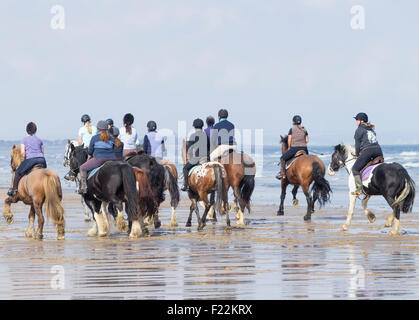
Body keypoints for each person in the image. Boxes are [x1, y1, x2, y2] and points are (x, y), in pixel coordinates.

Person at [7, 122, 47, 196]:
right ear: (35, 130)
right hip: (42, 160)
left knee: (17, 173)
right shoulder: (39, 140)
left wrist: (25, 160)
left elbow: (23, 153)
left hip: (31, 160)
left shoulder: (24, 140)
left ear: (27, 130)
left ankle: (14, 190)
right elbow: (42, 151)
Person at [78, 121, 117, 194]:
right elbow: (114, 149)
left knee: (82, 168)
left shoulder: (94, 138)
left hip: (99, 159)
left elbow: (90, 152)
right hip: (113, 159)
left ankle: (84, 187)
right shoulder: (112, 138)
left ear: (98, 129)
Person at [351, 112, 383, 196]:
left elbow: (357, 145)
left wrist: (357, 155)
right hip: (379, 151)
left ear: (361, 121)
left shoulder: (359, 130)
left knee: (355, 169)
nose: (356, 122)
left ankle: (359, 189)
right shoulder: (371, 129)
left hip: (368, 151)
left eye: (357, 120)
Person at [276, 115, 309, 180]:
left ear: (294, 122)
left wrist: (289, 147)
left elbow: (289, 139)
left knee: (282, 158)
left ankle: (282, 174)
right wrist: (302, 143)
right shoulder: (304, 129)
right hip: (304, 149)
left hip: (295, 148)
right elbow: (307, 140)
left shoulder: (292, 129)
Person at [181, 119, 210, 191]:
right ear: (202, 126)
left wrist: (190, 159)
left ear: (194, 126)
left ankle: (186, 185)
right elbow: (209, 147)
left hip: (197, 158)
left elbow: (190, 150)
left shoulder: (193, 135)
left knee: (185, 168)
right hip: (206, 157)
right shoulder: (205, 135)